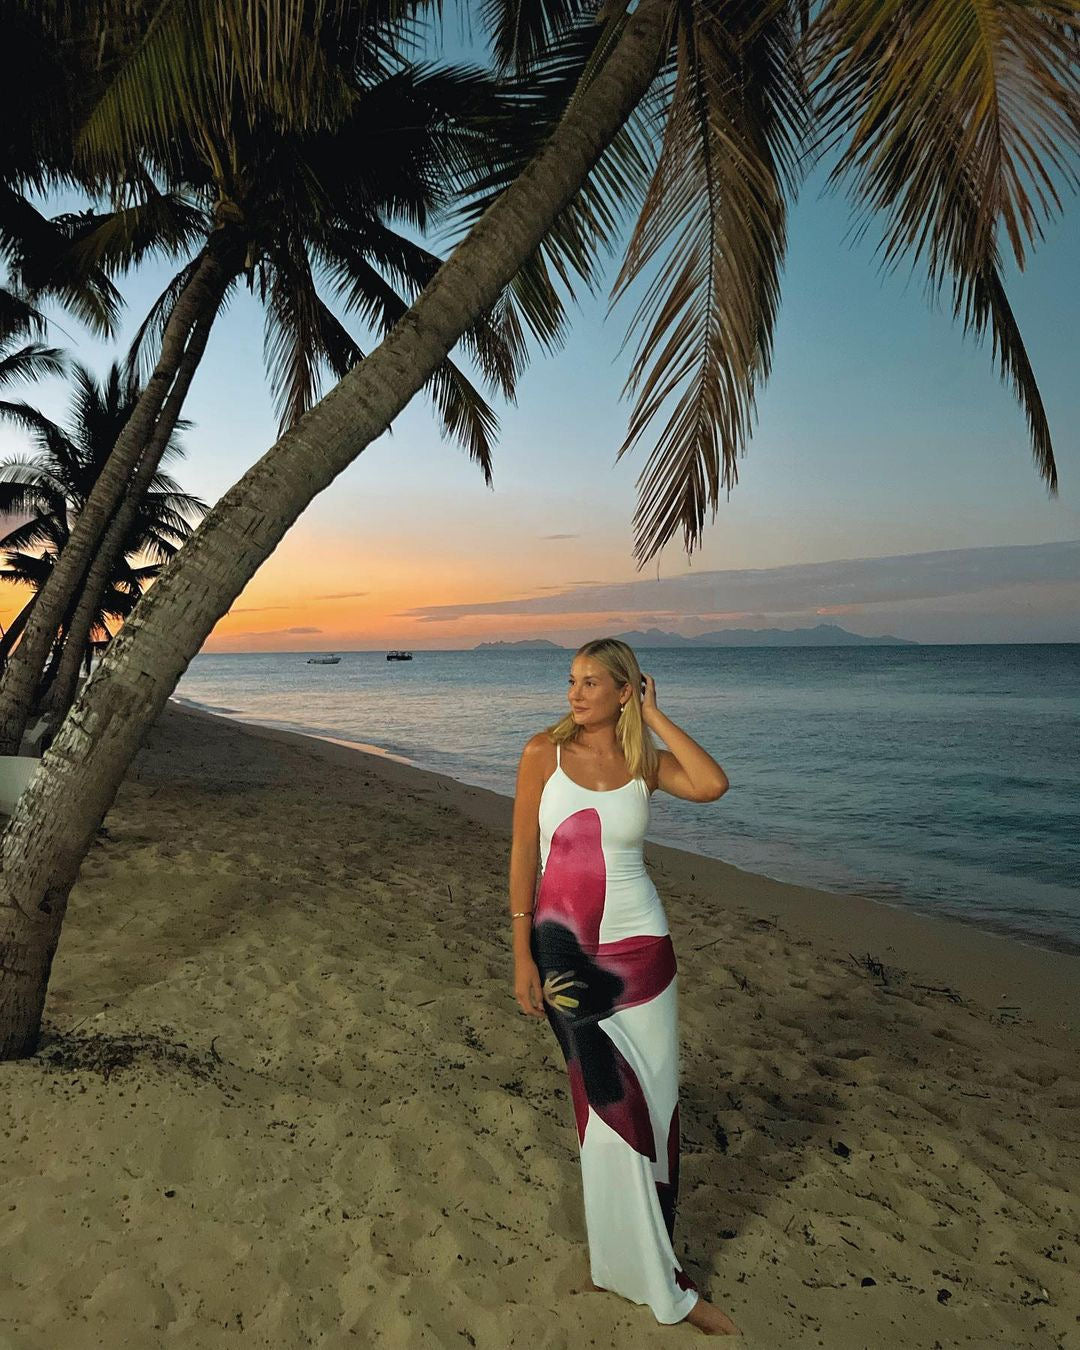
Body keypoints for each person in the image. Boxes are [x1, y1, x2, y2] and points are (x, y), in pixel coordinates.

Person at [509, 637, 741, 1337]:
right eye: (571, 680)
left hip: (646, 955)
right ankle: (645, 1275)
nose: (574, 693)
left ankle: (633, 1261)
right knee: (609, 1114)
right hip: (566, 957)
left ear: (623, 690)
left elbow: (712, 784)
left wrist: (658, 717)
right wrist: (520, 950)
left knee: (661, 1111)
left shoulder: (644, 761)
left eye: (590, 682)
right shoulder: (540, 755)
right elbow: (523, 850)